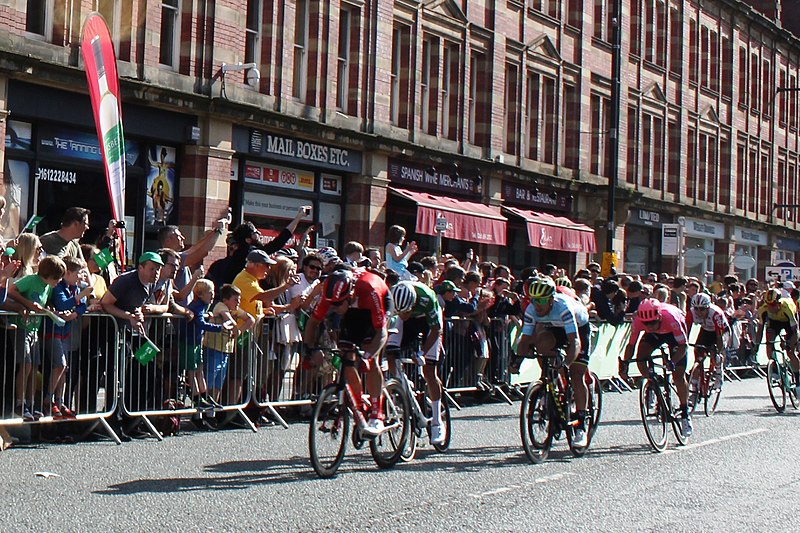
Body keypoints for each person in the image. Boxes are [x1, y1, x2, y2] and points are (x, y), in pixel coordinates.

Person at [303, 268, 391, 437]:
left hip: (377, 303)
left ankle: (376, 412)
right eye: (331, 304)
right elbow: (313, 323)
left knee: (372, 360)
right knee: (346, 357)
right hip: (352, 312)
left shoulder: (369, 289)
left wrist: (367, 356)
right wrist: (310, 351)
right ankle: (359, 405)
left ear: (350, 295)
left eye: (337, 304)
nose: (333, 307)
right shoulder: (331, 295)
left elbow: (381, 333)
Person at [515, 277, 593, 448]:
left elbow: (575, 342)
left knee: (576, 373)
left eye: (542, 300)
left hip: (578, 328)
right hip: (553, 327)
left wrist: (567, 363)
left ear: (551, 299)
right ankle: (551, 383)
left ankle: (581, 425)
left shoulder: (562, 307)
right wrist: (517, 360)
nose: (538, 305)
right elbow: (526, 339)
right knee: (541, 344)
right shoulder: (531, 310)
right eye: (534, 300)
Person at [619, 298, 693, 437]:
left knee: (678, 375)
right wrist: (625, 363)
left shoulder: (671, 318)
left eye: (653, 322)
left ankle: (685, 413)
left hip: (673, 334)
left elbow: (683, 346)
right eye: (647, 323)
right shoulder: (639, 321)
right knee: (641, 356)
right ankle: (653, 384)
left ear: (659, 316)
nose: (650, 325)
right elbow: (631, 345)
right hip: (655, 336)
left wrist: (672, 361)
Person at [8, 256, 67, 421]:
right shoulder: (31, 280)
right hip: (21, 327)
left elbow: (43, 303)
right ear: (48, 275)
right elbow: (12, 290)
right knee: (25, 364)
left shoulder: (47, 286)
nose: (58, 281)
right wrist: (26, 304)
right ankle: (20, 403)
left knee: (34, 366)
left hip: (34, 329)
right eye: (57, 278)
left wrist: (48, 310)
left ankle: (31, 402)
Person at [389, 280, 448, 444]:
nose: (404, 314)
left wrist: (422, 352)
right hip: (403, 323)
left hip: (428, 323)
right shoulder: (392, 297)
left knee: (429, 371)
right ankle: (399, 386)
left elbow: (436, 330)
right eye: (401, 311)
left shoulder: (426, 297)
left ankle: (437, 422)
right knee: (390, 352)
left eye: (406, 311)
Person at [43, 256, 93, 417]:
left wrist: (74, 314)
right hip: (53, 332)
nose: (81, 277)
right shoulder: (58, 287)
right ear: (68, 273)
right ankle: (48, 399)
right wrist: (78, 299)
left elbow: (83, 305)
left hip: (66, 333)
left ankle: (60, 401)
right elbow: (62, 304)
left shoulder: (76, 288)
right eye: (79, 273)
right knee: (60, 365)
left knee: (64, 369)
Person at [179, 279, 233, 413]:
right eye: (210, 292)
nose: (213, 295)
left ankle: (205, 397)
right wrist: (220, 327)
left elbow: (202, 318)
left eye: (213, 292)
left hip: (197, 341)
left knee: (200, 369)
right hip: (189, 342)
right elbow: (201, 323)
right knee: (192, 371)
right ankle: (197, 398)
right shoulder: (197, 306)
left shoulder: (202, 306)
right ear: (200, 294)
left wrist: (207, 316)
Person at [204, 284, 255, 405]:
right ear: (226, 300)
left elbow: (251, 319)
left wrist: (238, 333)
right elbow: (229, 320)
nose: (238, 302)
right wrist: (236, 329)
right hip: (213, 348)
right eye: (235, 300)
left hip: (225, 350)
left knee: (218, 383)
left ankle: (212, 411)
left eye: (239, 300)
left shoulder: (234, 309)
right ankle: (202, 410)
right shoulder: (220, 306)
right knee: (209, 381)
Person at [157, 221, 226, 306]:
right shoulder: (173, 259)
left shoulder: (177, 257)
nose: (183, 238)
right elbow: (203, 251)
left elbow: (194, 248)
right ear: (168, 240)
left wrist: (214, 232)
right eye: (178, 236)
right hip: (180, 314)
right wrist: (218, 231)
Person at [754, 288, 800, 397]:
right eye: (769, 305)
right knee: (769, 340)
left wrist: (790, 342)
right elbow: (760, 330)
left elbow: (795, 331)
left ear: (779, 303)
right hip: (774, 323)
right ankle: (774, 370)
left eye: (773, 305)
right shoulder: (763, 310)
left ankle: (798, 380)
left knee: (790, 351)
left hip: (788, 322)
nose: (771, 308)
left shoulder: (787, 307)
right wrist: (756, 345)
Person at [686, 293, 729, 405]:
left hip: (721, 332)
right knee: (698, 359)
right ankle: (694, 391)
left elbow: (719, 337)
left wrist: (720, 352)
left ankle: (719, 373)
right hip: (706, 331)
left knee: (716, 355)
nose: (699, 312)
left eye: (702, 309)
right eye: (696, 309)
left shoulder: (716, 314)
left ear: (708, 308)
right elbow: (686, 331)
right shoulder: (691, 313)